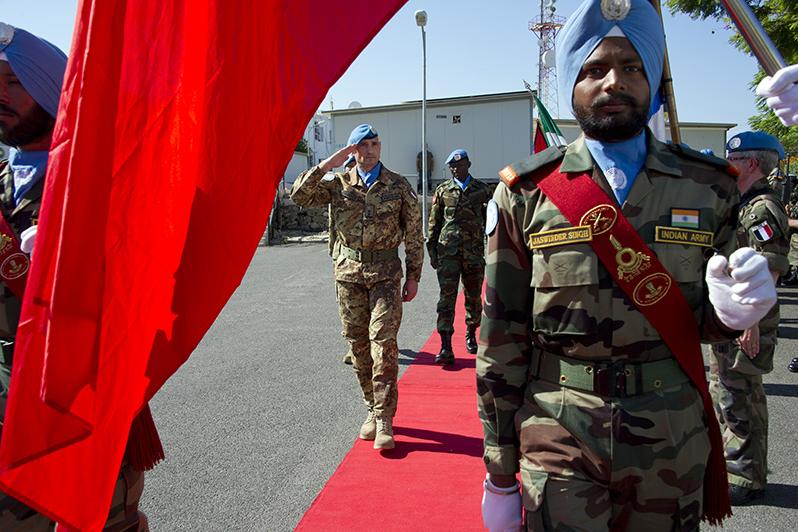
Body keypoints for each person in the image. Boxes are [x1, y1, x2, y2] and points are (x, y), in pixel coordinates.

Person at [476, 1, 777, 530]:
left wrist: (734, 315)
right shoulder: (526, 194)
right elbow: (501, 340)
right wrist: (499, 473)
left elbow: (707, 324)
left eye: (632, 66)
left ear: (653, 80)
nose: (613, 81)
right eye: (594, 68)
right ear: (571, 84)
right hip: (559, 429)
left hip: (671, 434)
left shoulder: (708, 187)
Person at [0, 22, 157, 530]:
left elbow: (146, 277)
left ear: (51, 88)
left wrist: (87, 248)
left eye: (14, 82)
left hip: (80, 404)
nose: (0, 95)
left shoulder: (99, 179)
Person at [290, 124, 423, 450]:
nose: (370, 150)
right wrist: (327, 165)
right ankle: (371, 408)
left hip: (386, 276)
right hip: (349, 276)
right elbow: (299, 195)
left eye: (375, 143)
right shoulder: (338, 184)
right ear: (352, 150)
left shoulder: (397, 185)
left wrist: (414, 275)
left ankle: (384, 419)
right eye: (363, 145)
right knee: (359, 346)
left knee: (383, 345)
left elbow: (413, 232)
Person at [709, 131, 788, 505]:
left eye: (734, 158)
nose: (728, 163)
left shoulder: (761, 209)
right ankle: (730, 465)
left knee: (742, 396)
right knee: (725, 391)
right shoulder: (738, 202)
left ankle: (747, 477)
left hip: (747, 318)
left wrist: (750, 322)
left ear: (752, 163)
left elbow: (770, 267)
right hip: (731, 314)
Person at [427, 149, 492, 364]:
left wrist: (494, 250)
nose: (456, 169)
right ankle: (445, 345)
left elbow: (491, 223)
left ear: (469, 165)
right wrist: (432, 252)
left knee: (473, 297)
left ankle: (471, 333)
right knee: (446, 299)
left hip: (474, 253)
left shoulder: (482, 190)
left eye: (461, 165)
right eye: (453, 167)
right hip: (448, 254)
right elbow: (434, 223)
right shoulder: (443, 190)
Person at [329, 154, 357, 366]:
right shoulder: (339, 189)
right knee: (346, 305)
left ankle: (365, 343)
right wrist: (333, 253)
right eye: (348, 167)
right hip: (342, 256)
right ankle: (352, 345)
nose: (351, 171)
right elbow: (333, 225)